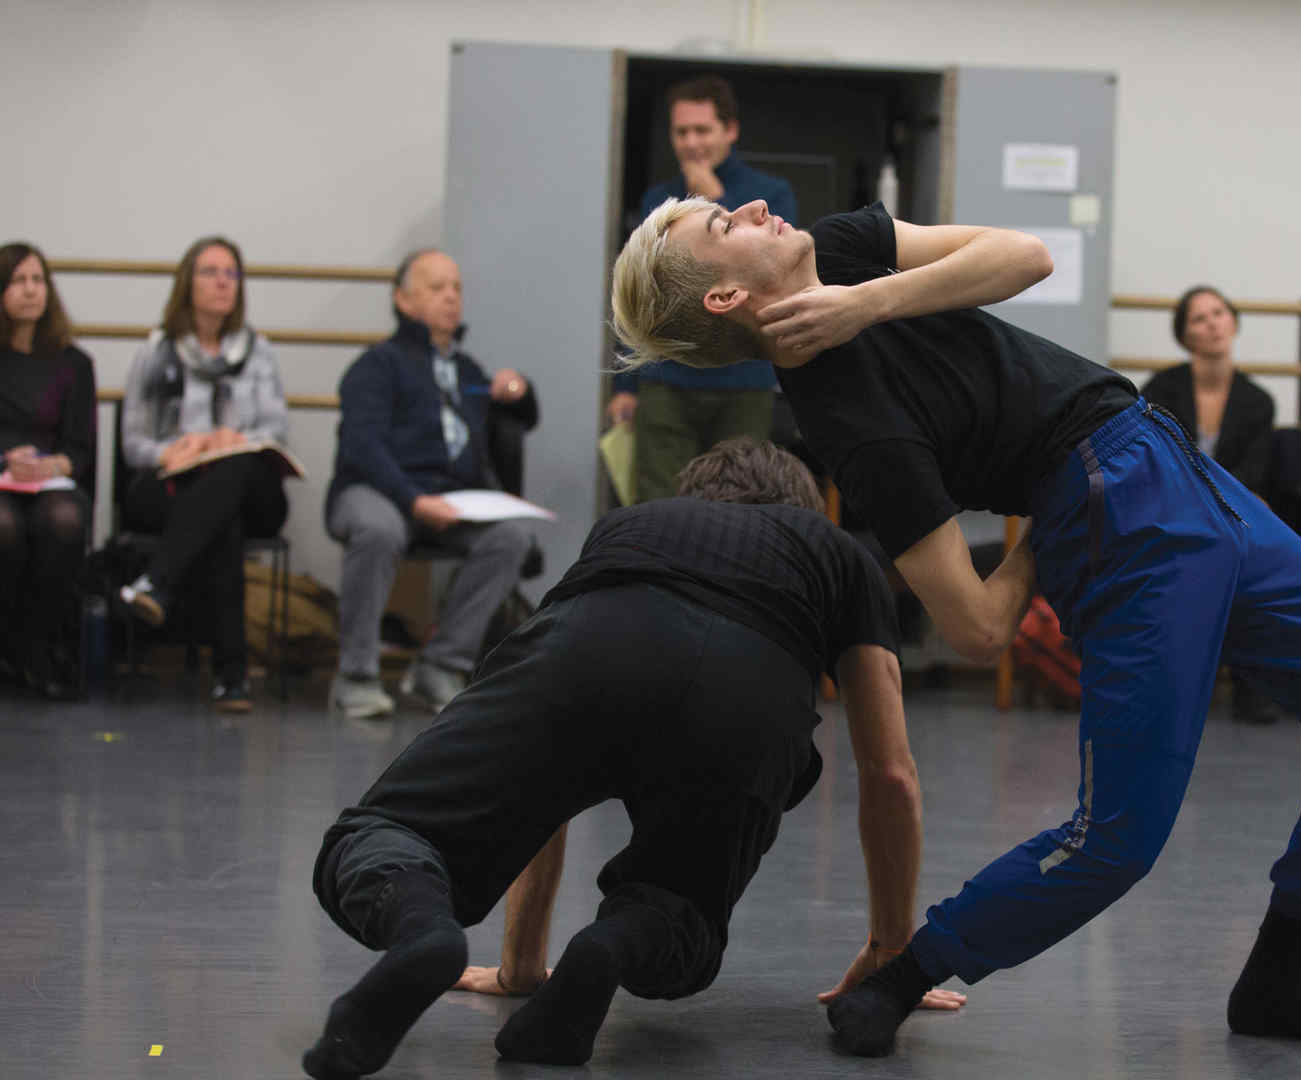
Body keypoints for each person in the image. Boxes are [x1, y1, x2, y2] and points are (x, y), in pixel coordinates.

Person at [611, 196, 1301, 1055]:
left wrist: (868, 300)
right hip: (1118, 508)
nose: (751, 206)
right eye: (723, 227)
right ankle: (905, 976)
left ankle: (1277, 972)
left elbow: (1025, 256)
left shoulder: (841, 248)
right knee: (1115, 839)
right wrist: (1053, 532)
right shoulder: (850, 422)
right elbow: (974, 627)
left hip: (1181, 470)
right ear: (726, 299)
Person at [303, 440, 939, 1078]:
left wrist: (520, 964)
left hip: (593, 643)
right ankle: (611, 944)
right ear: (801, 510)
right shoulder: (838, 553)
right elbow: (890, 774)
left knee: (385, 835)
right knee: (680, 908)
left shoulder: (633, 525)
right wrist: (892, 951)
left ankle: (420, 927)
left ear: (695, 497)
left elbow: (544, 783)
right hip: (746, 692)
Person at [325, 250, 538, 719]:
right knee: (379, 530)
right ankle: (355, 674)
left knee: (512, 537)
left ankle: (440, 665)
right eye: (437, 287)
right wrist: (413, 500)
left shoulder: (467, 372)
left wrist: (519, 389)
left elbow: (524, 417)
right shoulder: (376, 366)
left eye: (457, 288)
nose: (451, 297)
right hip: (375, 490)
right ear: (403, 300)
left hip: (448, 497)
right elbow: (363, 448)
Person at [604, 75, 798, 505]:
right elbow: (639, 296)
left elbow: (779, 274)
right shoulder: (659, 199)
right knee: (660, 500)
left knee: (743, 497)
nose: (691, 142)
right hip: (668, 379)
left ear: (730, 130)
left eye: (702, 130)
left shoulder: (771, 195)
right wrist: (627, 387)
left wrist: (716, 200)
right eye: (681, 132)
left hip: (745, 377)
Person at [116, 236, 290, 712]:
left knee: (231, 473)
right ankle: (232, 678)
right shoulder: (157, 351)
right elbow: (132, 444)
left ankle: (157, 582)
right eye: (210, 272)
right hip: (179, 484)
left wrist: (230, 440)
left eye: (231, 273)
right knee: (220, 520)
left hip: (252, 485)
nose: (222, 283)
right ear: (186, 283)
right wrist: (175, 448)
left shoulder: (259, 351)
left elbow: (277, 428)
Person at [1141, 285, 1284, 724]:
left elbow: (1255, 477)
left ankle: (1248, 684)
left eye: (1219, 313)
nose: (1212, 323)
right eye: (1199, 318)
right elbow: (1155, 466)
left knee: (1247, 551)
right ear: (1185, 335)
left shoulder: (1258, 401)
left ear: (1234, 322)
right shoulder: (1161, 388)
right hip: (1173, 511)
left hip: (1231, 512)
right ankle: (1172, 685)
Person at [0, 242, 95, 700]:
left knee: (63, 520)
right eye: (18, 281)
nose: (30, 291)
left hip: (50, 480)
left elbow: (82, 447)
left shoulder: (74, 364)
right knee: (3, 526)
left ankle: (41, 650)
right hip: (1, 480)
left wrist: (54, 463)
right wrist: (7, 461)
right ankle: (8, 648)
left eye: (38, 280)